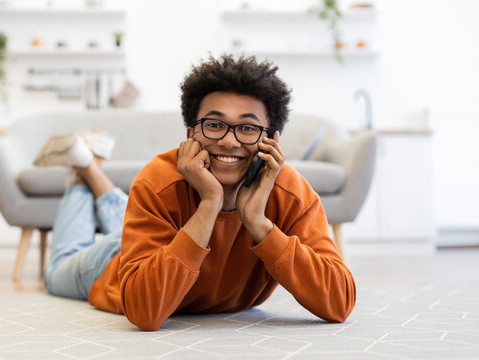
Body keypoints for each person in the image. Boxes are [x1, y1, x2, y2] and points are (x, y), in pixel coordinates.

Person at [38, 55, 356, 331]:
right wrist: (210, 204)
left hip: (162, 241)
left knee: (126, 220)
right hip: (112, 262)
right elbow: (145, 313)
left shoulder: (291, 193)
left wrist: (258, 223)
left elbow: (339, 302)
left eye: (247, 128)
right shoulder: (157, 182)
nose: (230, 141)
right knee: (56, 272)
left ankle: (88, 163)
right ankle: (83, 172)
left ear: (271, 139)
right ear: (191, 134)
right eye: (214, 125)